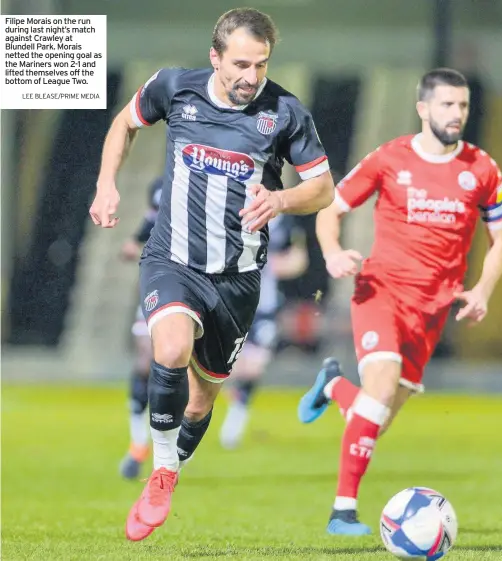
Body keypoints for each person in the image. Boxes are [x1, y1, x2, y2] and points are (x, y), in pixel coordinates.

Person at [89, 8, 334, 542]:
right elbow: (123, 124)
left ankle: (170, 470)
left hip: (239, 280)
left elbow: (324, 189)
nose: (251, 76)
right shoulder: (175, 88)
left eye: (262, 65)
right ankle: (157, 469)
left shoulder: (286, 113)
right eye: (241, 64)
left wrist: (282, 198)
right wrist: (107, 183)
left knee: (201, 401)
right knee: (170, 349)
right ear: (215, 57)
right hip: (172, 261)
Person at [297, 68, 502, 535]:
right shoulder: (389, 158)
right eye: (447, 105)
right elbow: (331, 208)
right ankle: (343, 511)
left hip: (433, 310)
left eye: (463, 106)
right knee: (378, 391)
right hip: (381, 292)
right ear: (423, 108)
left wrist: (482, 290)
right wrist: (332, 253)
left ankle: (333, 385)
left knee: (373, 419)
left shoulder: (482, 168)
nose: (456, 114)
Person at [219, 214, 307, 449]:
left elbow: (299, 260)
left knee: (255, 366)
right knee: (227, 367)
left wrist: (276, 263)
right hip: (231, 304)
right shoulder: (232, 210)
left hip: (264, 308)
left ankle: (236, 419)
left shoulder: (286, 223)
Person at [118, 176, 162, 479]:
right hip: (157, 288)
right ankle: (137, 446)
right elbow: (136, 239)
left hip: (199, 288)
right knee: (145, 361)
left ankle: (170, 456)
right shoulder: (160, 188)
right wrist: (132, 248)